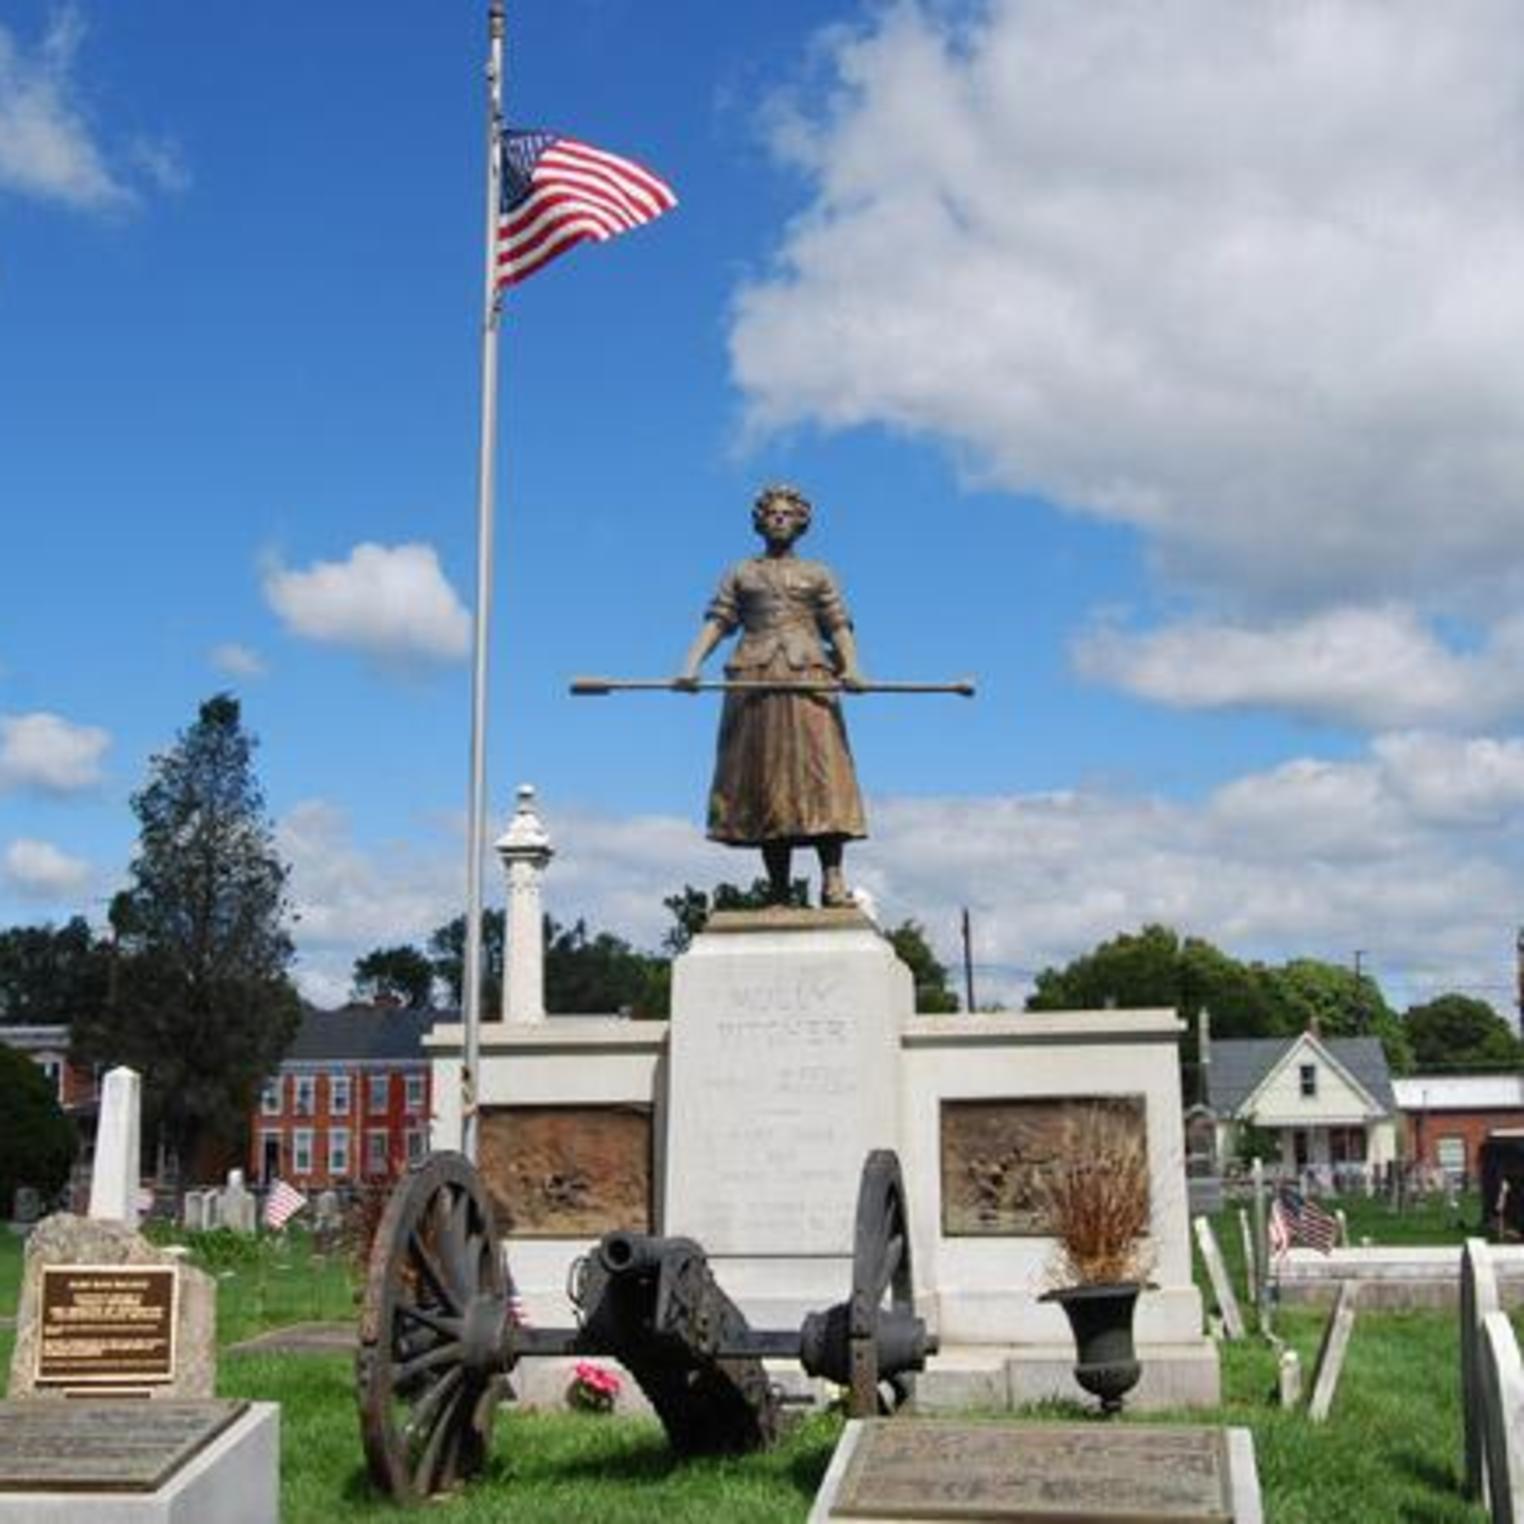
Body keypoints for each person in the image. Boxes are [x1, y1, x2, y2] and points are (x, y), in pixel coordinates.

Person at [677, 484, 867, 906]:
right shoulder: (740, 572)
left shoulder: (819, 573)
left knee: (821, 775)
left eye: (787, 513)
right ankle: (779, 887)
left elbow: (838, 623)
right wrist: (691, 664)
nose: (779, 518)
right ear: (760, 521)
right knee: (766, 779)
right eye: (772, 513)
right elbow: (719, 620)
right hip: (755, 676)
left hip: (809, 678)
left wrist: (852, 666)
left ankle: (832, 880)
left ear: (801, 522)